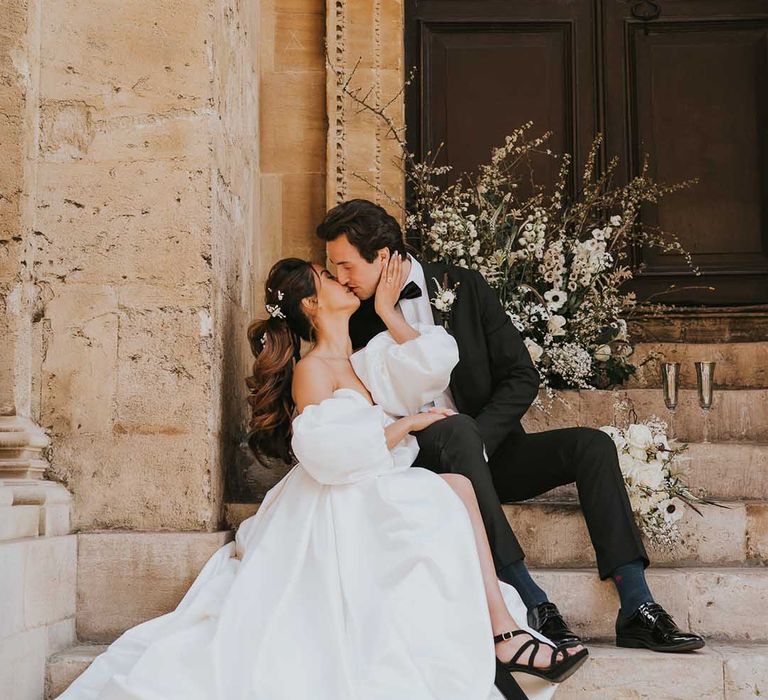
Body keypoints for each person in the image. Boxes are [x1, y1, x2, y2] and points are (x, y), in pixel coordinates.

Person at [57, 256, 588, 700]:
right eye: (329, 278)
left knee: (455, 490)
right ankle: (502, 634)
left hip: (373, 480)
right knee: (451, 492)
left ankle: (502, 632)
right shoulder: (314, 369)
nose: (342, 281)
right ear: (312, 304)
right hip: (341, 494)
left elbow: (436, 359)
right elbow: (321, 452)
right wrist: (403, 424)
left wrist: (387, 310)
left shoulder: (364, 358)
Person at [316, 198, 705, 654]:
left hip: (490, 449)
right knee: (456, 431)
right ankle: (531, 599)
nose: (341, 278)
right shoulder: (355, 316)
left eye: (345, 265)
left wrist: (481, 438)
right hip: (419, 464)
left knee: (593, 445)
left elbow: (521, 375)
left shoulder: (463, 285)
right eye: (333, 269)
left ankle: (637, 605)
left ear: (382, 257)